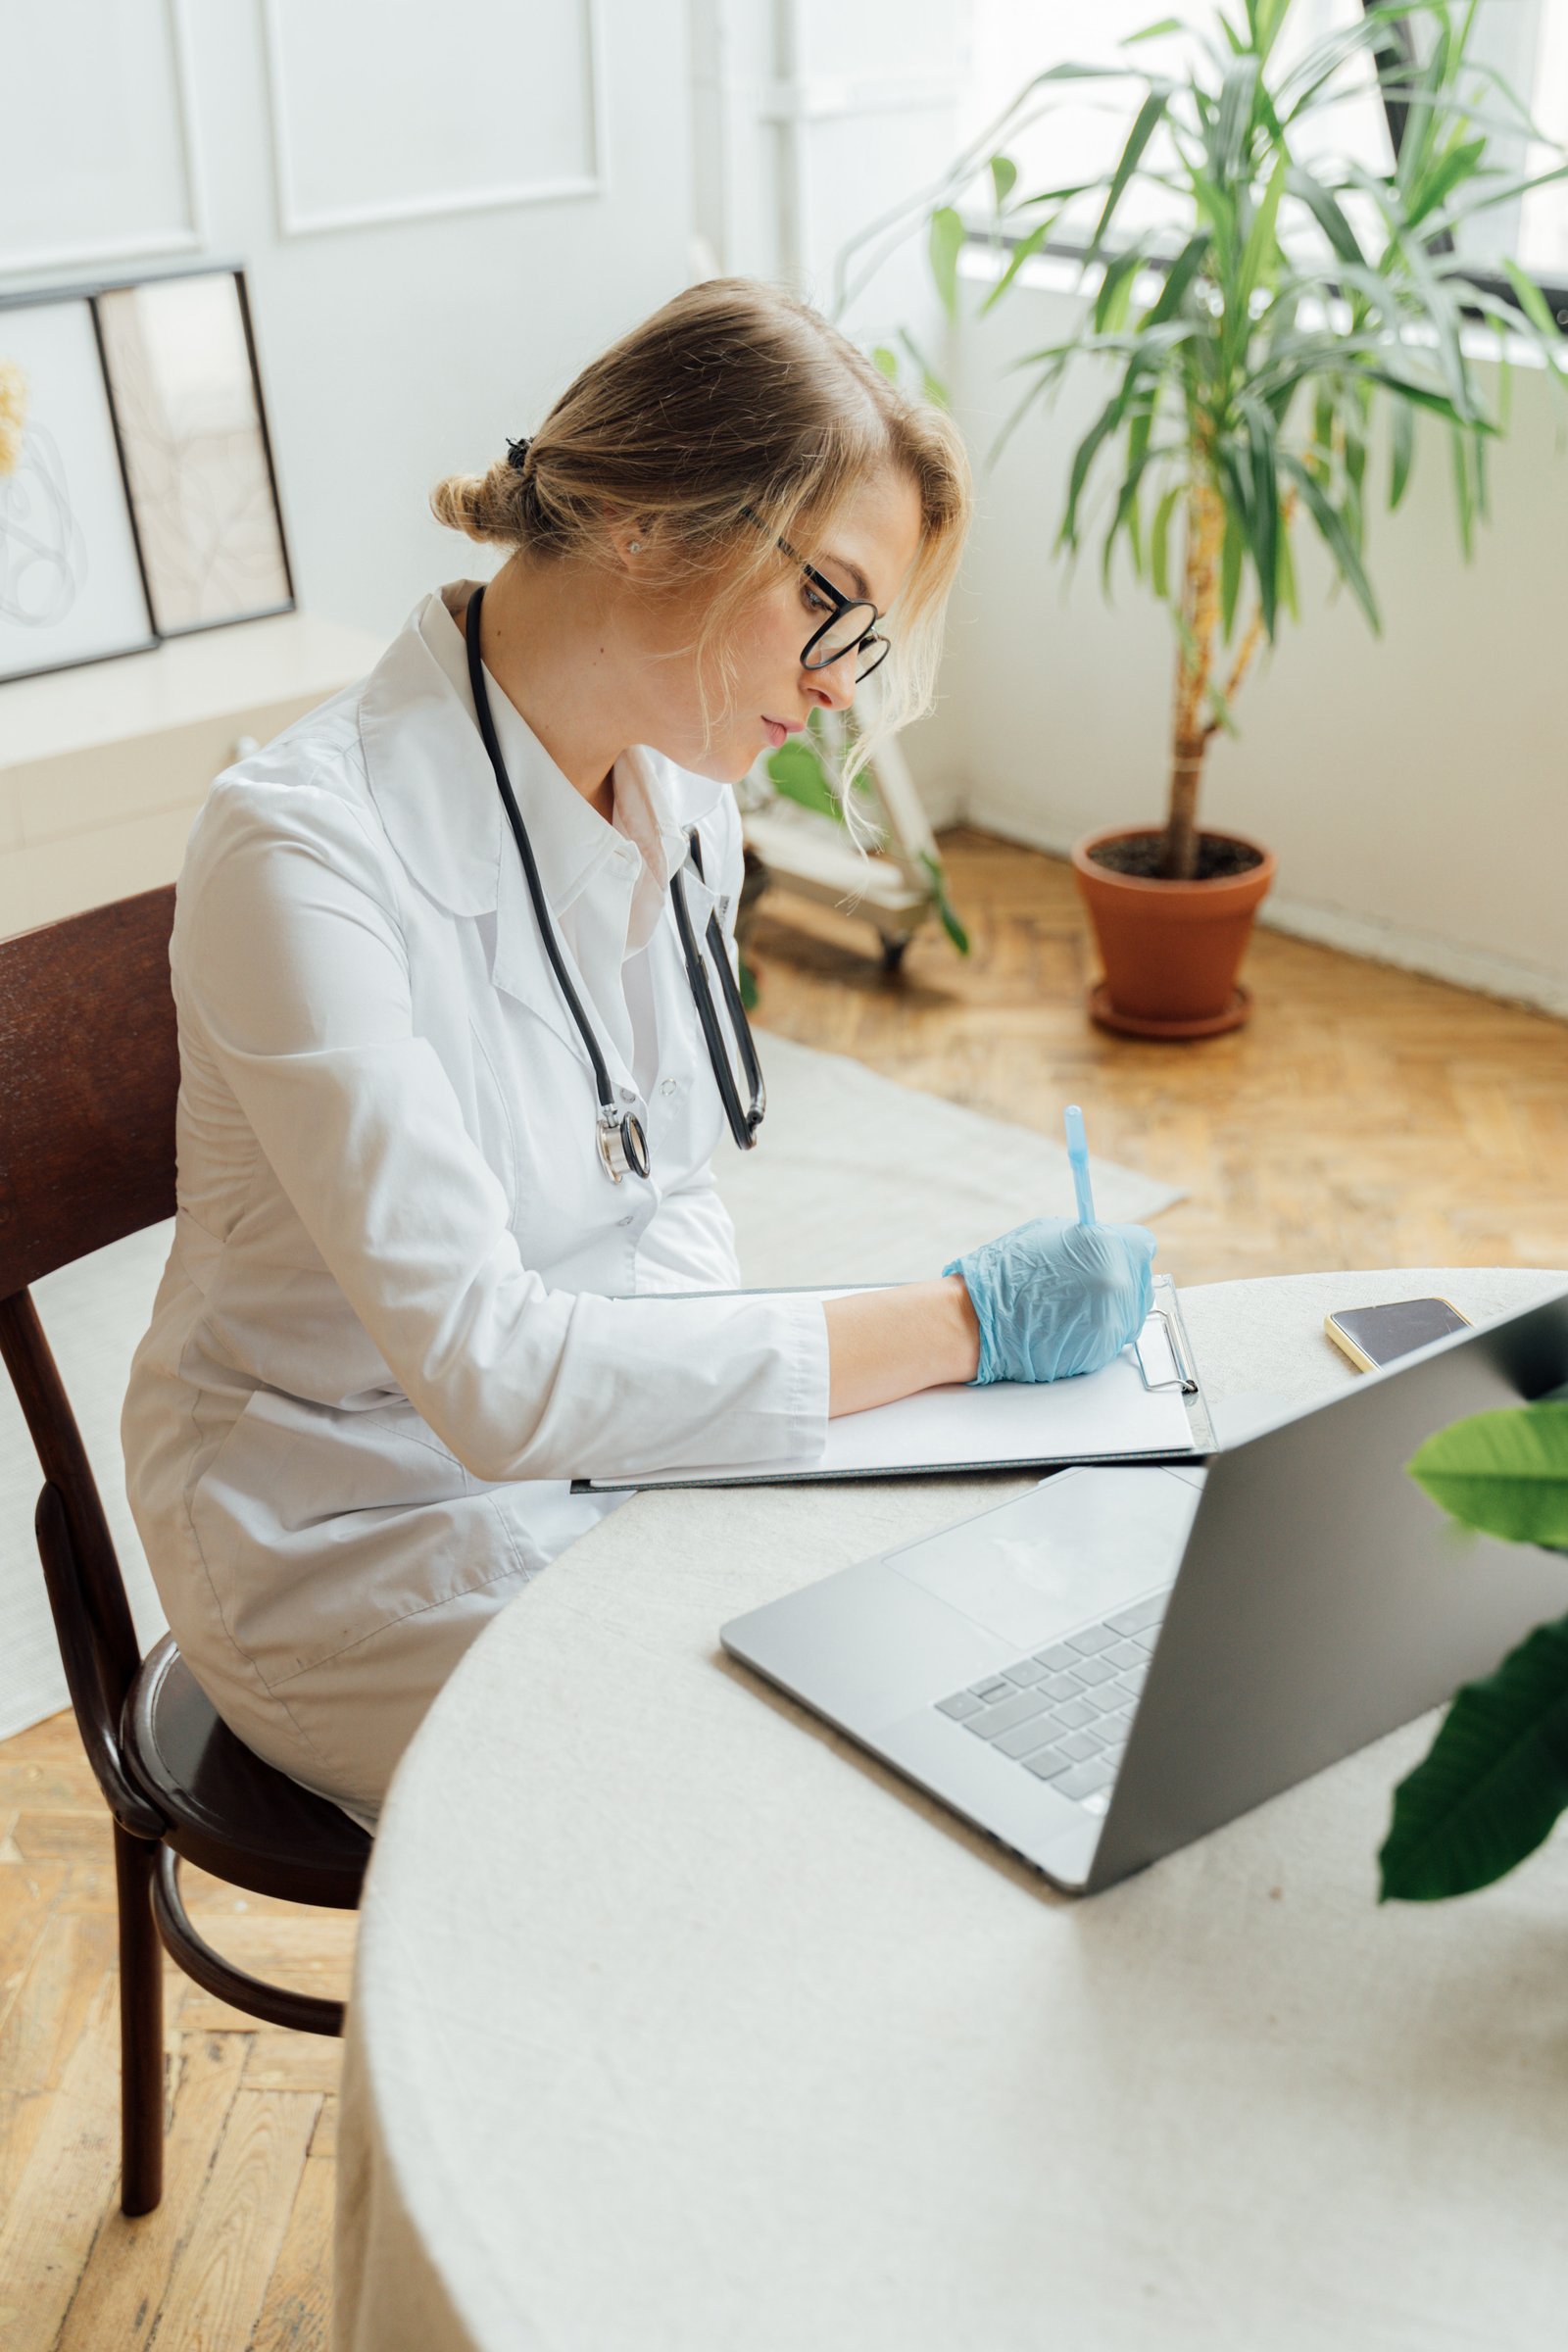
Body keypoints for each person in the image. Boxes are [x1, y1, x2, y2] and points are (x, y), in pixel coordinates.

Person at [121, 278, 1154, 1827]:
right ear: (655, 523)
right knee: (792, 1785)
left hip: (600, 1458)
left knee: (949, 1629)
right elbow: (488, 1378)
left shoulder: (685, 802)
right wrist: (957, 1325)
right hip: (345, 1538)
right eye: (830, 602)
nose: (837, 682)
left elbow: (665, 1201)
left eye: (863, 638)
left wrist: (699, 1455)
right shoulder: (301, 853)